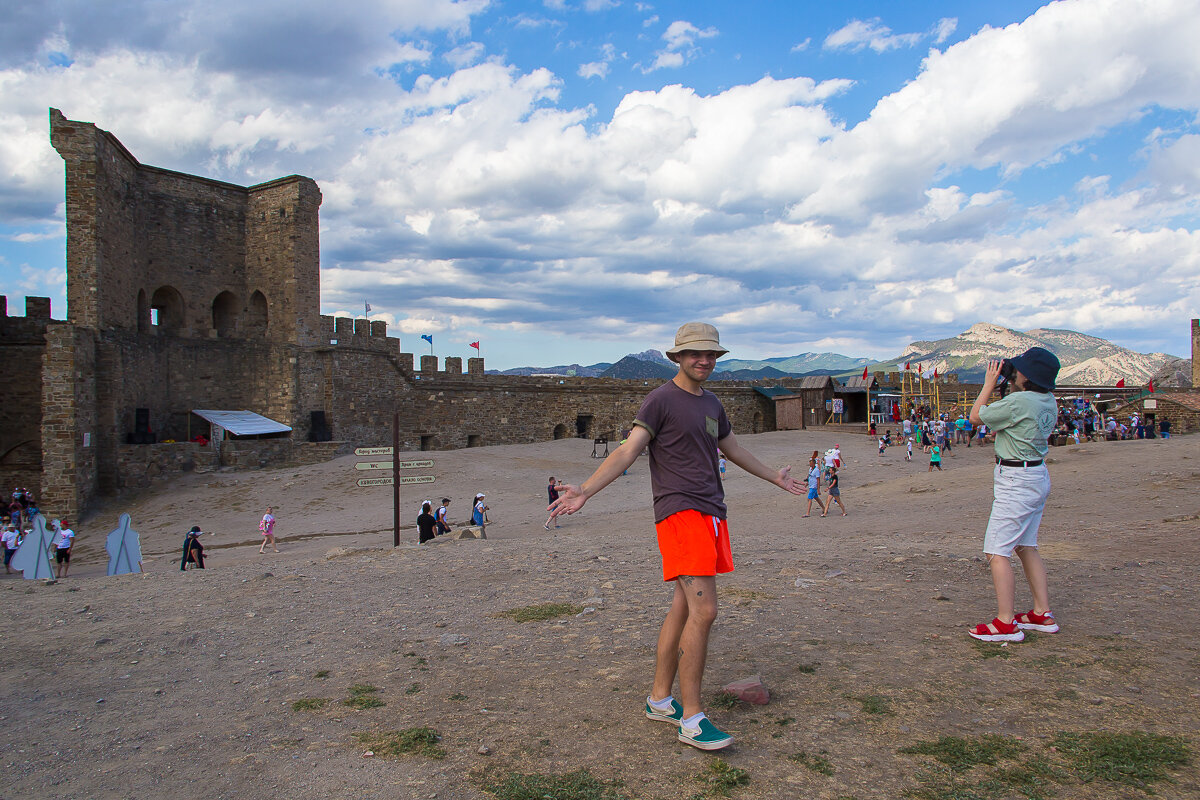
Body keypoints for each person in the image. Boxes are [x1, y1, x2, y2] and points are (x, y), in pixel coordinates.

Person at [547, 322, 804, 751]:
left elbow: (733, 449)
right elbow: (628, 449)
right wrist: (586, 491)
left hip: (711, 513)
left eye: (711, 355)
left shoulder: (713, 403)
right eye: (694, 354)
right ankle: (692, 718)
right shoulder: (660, 400)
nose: (704, 361)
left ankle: (659, 700)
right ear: (678, 358)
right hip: (680, 513)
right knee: (706, 614)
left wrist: (773, 477)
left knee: (684, 608)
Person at [967, 348, 1062, 643]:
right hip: (1036, 475)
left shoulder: (1018, 401)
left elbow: (974, 418)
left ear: (1026, 376)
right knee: (1026, 545)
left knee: (997, 551)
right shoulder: (1047, 400)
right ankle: (1041, 613)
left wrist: (988, 385)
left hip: (1016, 480)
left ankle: (1005, 622)